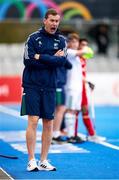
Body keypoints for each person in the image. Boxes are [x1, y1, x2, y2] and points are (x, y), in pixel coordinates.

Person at [20, 9, 70, 171]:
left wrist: (40, 56)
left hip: (50, 86)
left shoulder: (62, 40)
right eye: (52, 20)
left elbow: (62, 63)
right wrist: (52, 58)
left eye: (57, 21)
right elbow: (28, 61)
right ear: (45, 20)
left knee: (48, 123)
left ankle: (43, 160)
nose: (55, 24)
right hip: (32, 84)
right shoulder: (33, 38)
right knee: (33, 121)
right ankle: (31, 160)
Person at [74, 38, 106, 142]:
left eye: (86, 45)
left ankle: (90, 134)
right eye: (83, 44)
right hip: (76, 88)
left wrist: (87, 82)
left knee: (83, 110)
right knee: (77, 111)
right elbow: (76, 74)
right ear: (78, 46)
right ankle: (75, 134)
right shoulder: (76, 58)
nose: (85, 47)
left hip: (82, 87)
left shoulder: (83, 58)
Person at [64, 33, 86, 143]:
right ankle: (69, 136)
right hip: (71, 87)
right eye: (72, 41)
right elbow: (84, 52)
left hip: (78, 87)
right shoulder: (68, 52)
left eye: (76, 41)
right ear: (68, 43)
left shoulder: (77, 56)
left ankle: (73, 134)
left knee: (75, 110)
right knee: (70, 110)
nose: (74, 44)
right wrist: (85, 48)